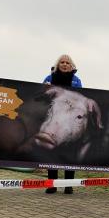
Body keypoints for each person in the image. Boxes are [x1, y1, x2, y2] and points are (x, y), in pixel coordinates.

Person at [43, 54, 83, 194]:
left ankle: (68, 185)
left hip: (70, 119)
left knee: (69, 150)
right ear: (58, 64)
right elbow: (42, 96)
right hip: (53, 118)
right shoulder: (49, 78)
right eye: (62, 62)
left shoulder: (77, 81)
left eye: (67, 62)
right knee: (52, 150)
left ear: (72, 66)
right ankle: (51, 184)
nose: (65, 64)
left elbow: (81, 99)